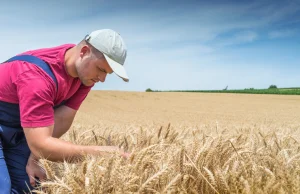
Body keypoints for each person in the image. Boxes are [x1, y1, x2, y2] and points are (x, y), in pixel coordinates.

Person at [0, 29, 130, 193]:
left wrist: (35, 158)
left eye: (108, 74)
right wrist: (100, 153)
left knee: (28, 187)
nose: (102, 79)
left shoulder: (84, 77)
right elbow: (41, 144)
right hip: (16, 128)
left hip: (18, 132)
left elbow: (62, 119)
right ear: (84, 52)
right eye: (102, 69)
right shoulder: (37, 77)